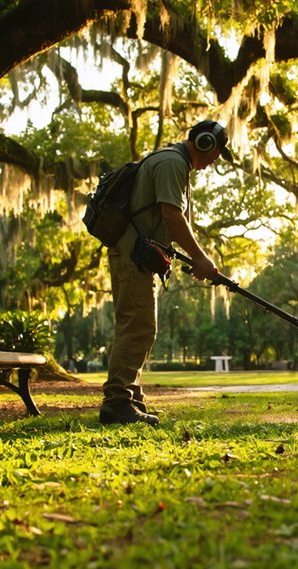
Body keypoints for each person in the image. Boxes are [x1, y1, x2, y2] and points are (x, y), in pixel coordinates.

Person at [99, 120, 231, 425]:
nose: (212, 163)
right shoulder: (173, 163)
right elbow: (171, 215)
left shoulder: (169, 160)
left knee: (134, 326)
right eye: (215, 154)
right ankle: (117, 401)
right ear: (205, 143)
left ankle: (130, 398)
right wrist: (200, 258)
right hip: (133, 255)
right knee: (140, 327)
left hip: (134, 255)